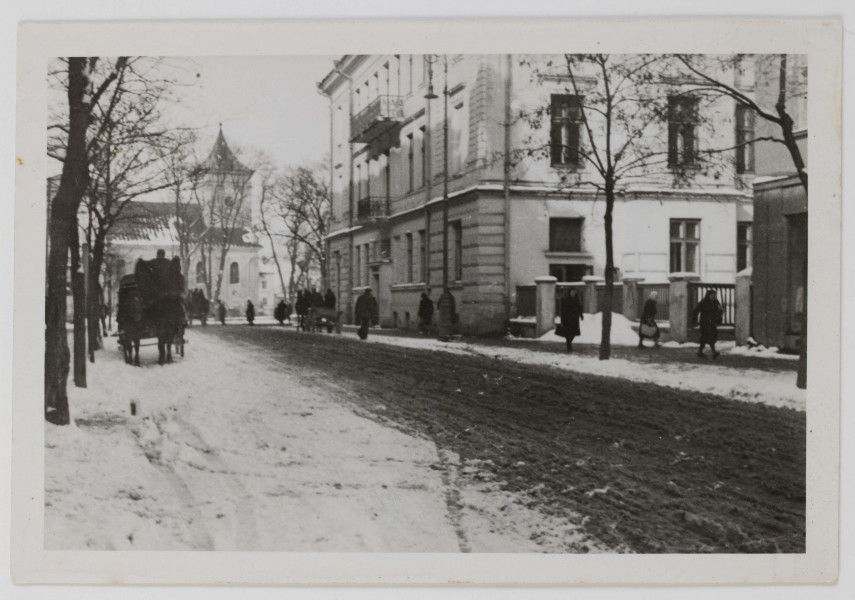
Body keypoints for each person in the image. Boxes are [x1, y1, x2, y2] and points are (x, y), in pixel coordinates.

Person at [692, 289, 724, 358]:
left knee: (704, 337)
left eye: (714, 295)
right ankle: (714, 352)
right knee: (710, 336)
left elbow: (719, 310)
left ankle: (700, 352)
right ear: (708, 295)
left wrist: (720, 312)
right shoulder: (704, 302)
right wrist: (694, 320)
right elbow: (696, 310)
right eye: (712, 295)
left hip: (712, 322)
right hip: (705, 323)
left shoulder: (715, 302)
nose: (713, 296)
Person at [559, 288, 583, 352]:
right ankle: (568, 344)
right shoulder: (565, 300)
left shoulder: (576, 299)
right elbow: (563, 310)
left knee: (574, 333)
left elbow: (579, 308)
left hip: (575, 319)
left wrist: (581, 315)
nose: (573, 293)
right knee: (568, 333)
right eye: (572, 292)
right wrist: (562, 319)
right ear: (569, 293)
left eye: (574, 292)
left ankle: (569, 342)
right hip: (567, 319)